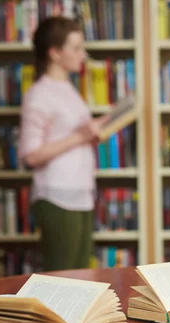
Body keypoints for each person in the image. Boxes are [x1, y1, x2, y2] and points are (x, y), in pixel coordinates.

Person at [19, 17, 108, 270]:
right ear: (55, 53)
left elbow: (70, 135)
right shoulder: (39, 94)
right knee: (63, 278)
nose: (84, 54)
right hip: (57, 196)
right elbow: (31, 155)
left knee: (81, 276)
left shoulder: (68, 90)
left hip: (80, 193)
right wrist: (80, 136)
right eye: (77, 47)